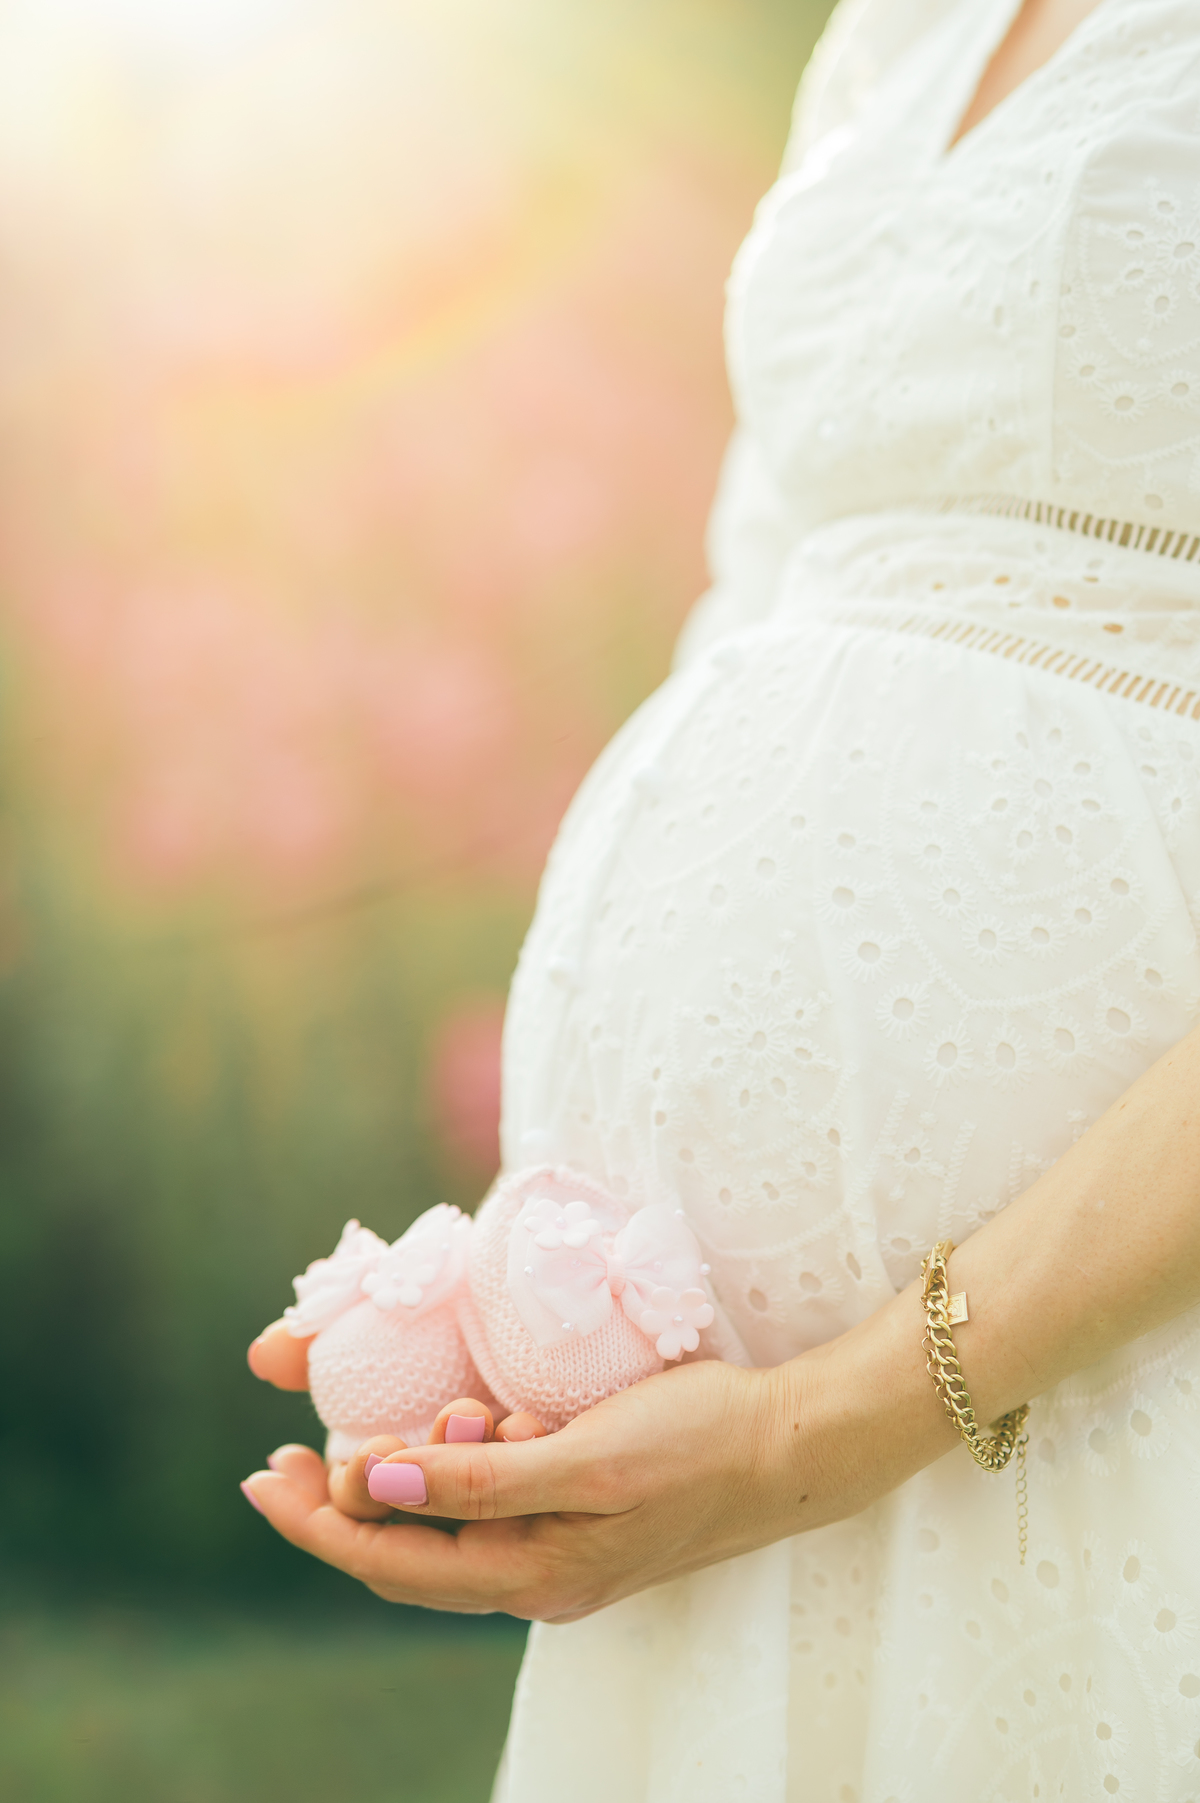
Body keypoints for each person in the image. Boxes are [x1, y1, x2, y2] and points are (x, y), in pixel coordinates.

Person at [242, 1, 1200, 1795]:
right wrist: (562, 1282)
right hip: (730, 1436)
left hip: (1104, 1371)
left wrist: (817, 1430)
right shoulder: (902, 28)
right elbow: (775, 598)